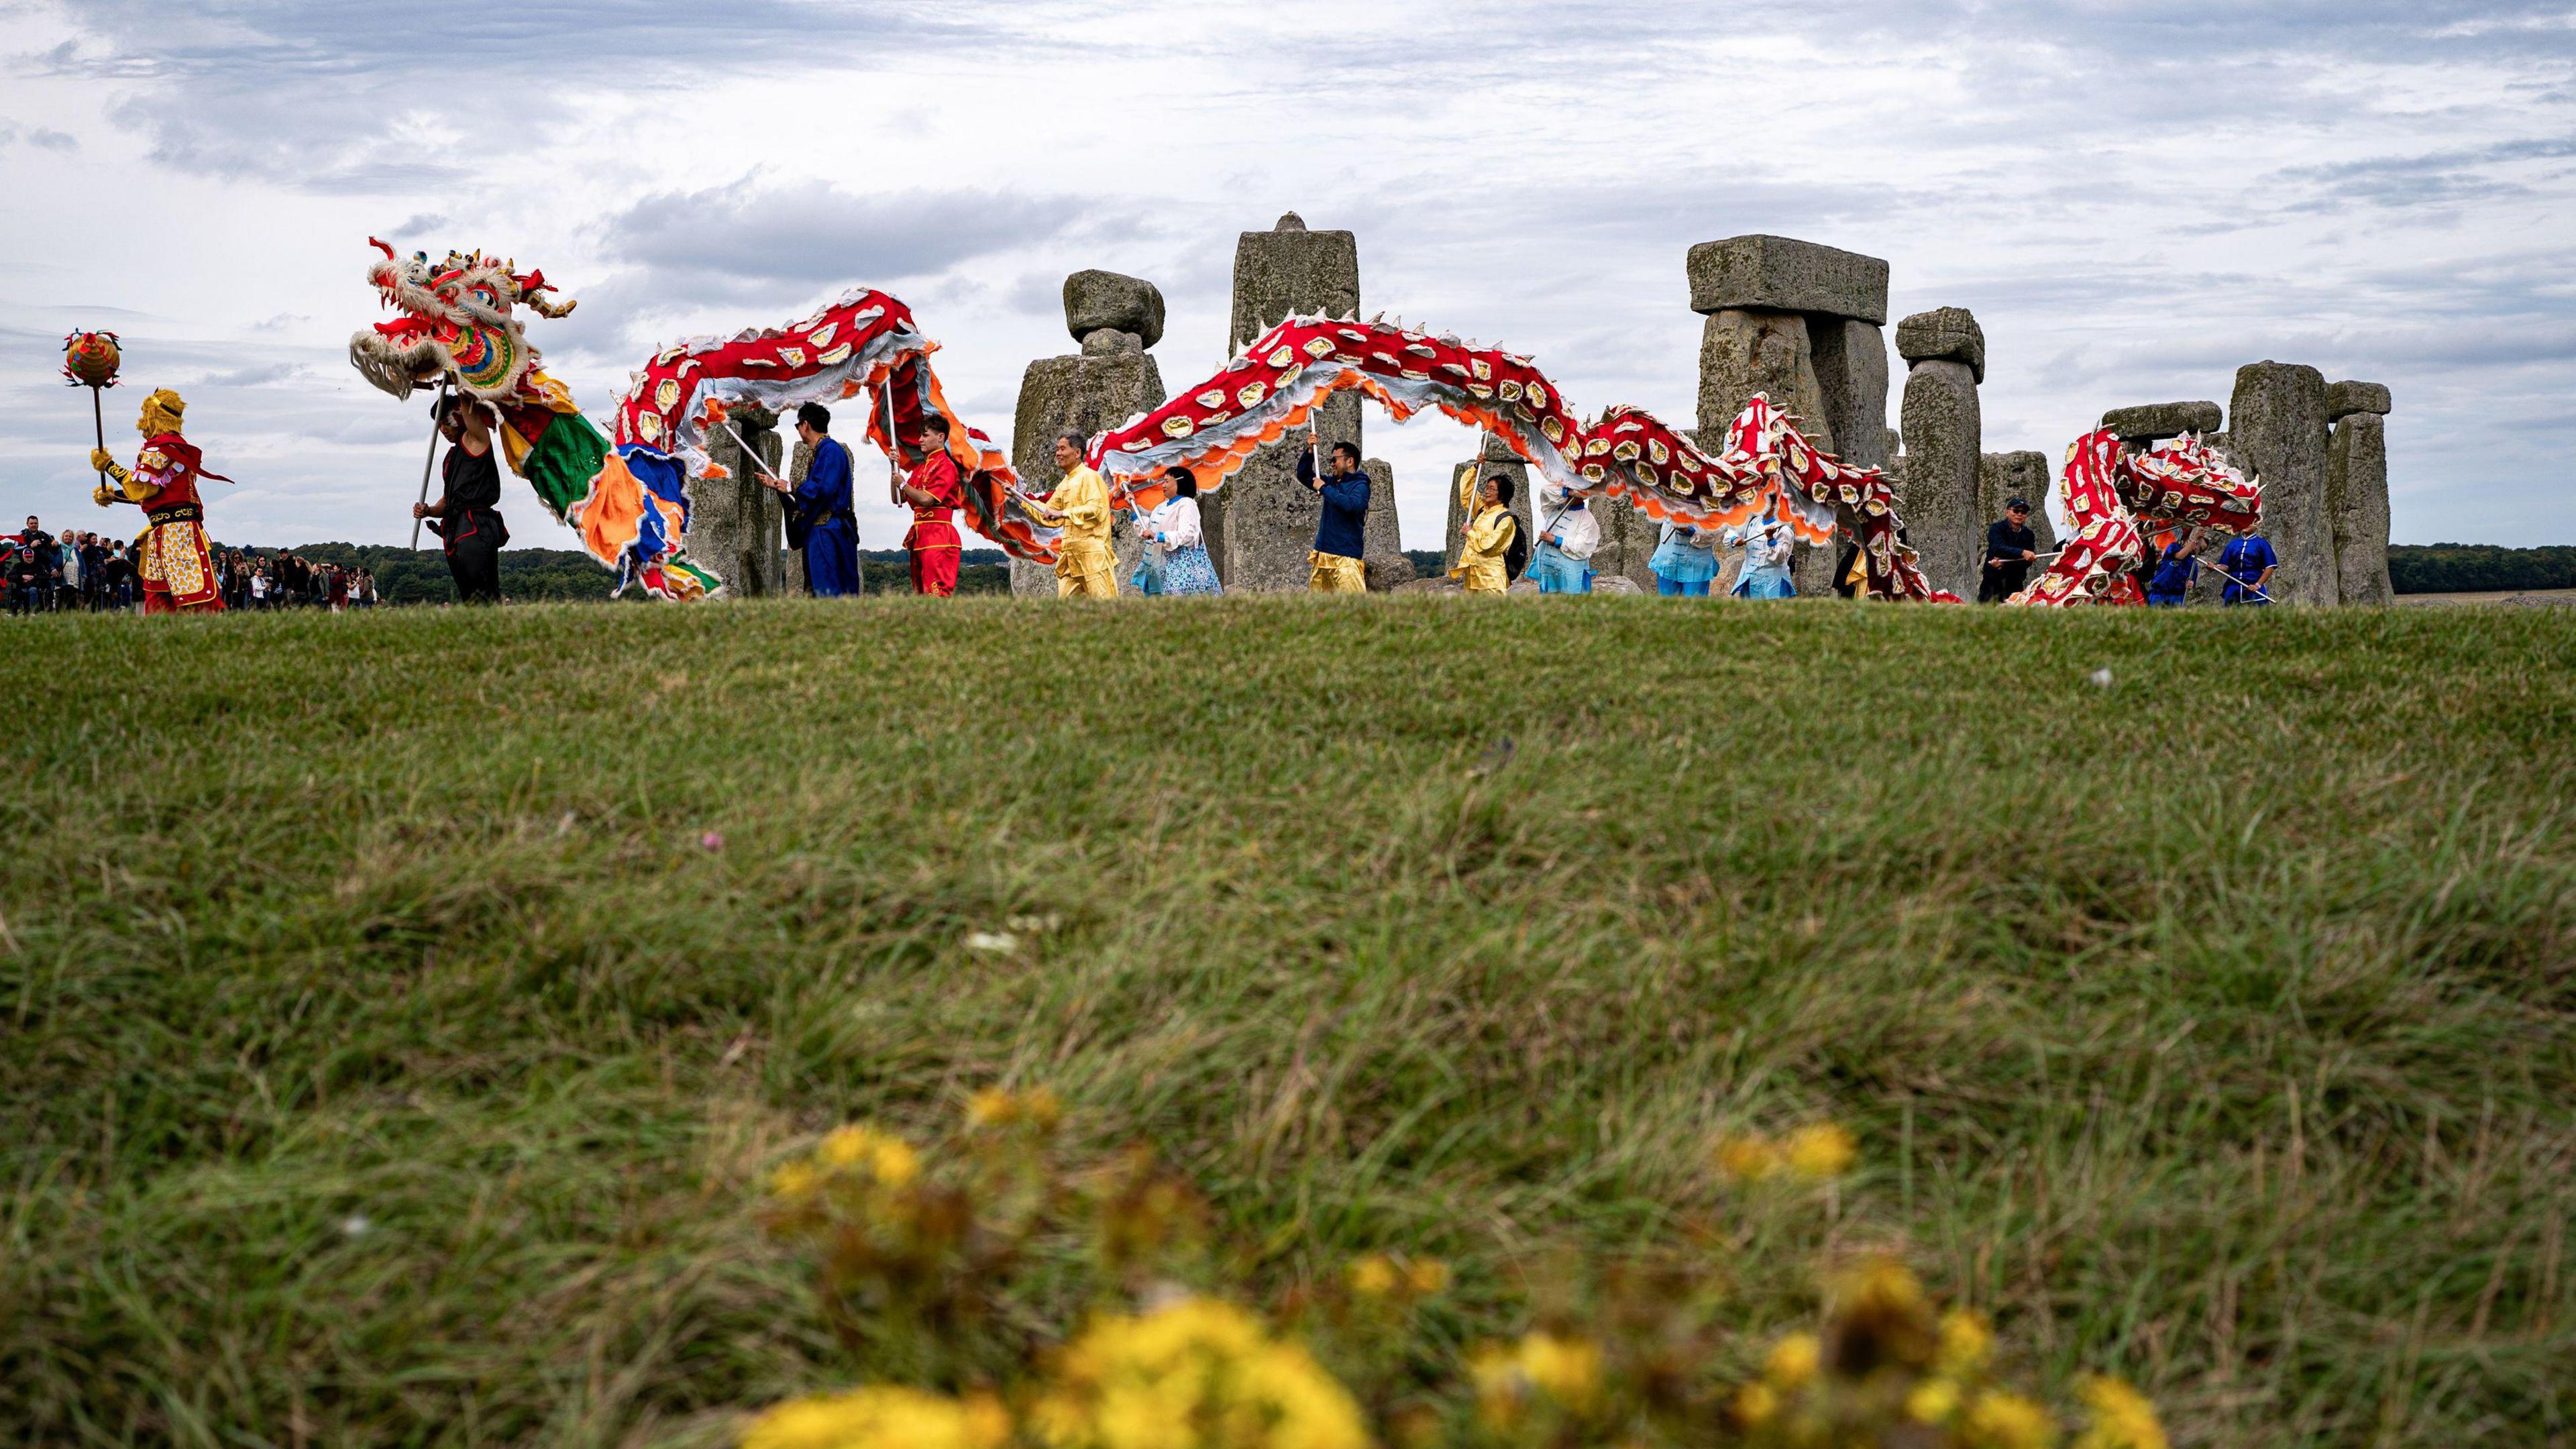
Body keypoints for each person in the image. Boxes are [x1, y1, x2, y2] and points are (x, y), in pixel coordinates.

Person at [89, 388, 228, 614]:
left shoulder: (159, 447)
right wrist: (114, 495)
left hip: (175, 533)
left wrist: (108, 465)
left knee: (194, 597)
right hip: (164, 531)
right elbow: (154, 493)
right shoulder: (175, 447)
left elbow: (140, 485)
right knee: (159, 598)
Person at [414, 393, 508, 604]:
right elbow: (448, 501)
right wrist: (429, 511)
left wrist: (456, 371)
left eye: (444, 423)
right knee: (468, 593)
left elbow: (469, 406)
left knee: (483, 591)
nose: (443, 430)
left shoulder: (476, 440)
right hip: (456, 527)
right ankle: (477, 630)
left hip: (477, 525)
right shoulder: (451, 456)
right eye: (438, 426)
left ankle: (494, 631)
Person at [768, 402, 859, 598]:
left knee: (828, 587)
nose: (798, 429)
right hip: (826, 528)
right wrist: (780, 486)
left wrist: (792, 487)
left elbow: (824, 488)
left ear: (806, 425)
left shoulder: (830, 451)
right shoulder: (822, 452)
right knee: (828, 586)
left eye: (798, 425)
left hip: (827, 528)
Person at [1026, 431, 1116, 599]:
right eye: (1057, 450)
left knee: (1105, 606)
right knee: (1066, 610)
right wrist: (1020, 500)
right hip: (1070, 556)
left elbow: (1096, 509)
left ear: (1077, 453)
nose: (1058, 454)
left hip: (1092, 555)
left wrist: (1063, 513)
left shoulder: (1090, 477)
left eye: (1062, 449)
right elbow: (1048, 515)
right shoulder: (1065, 483)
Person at [895, 414, 966, 597]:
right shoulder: (920, 469)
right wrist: (893, 467)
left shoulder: (946, 466)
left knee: (936, 592)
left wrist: (904, 484)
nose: (920, 440)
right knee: (920, 595)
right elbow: (898, 498)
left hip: (939, 535)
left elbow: (927, 500)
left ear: (940, 437)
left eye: (925, 435)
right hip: (920, 536)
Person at [1295, 437, 1371, 594]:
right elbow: (1303, 475)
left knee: (1353, 610)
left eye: (1334, 460)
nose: (1331, 463)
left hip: (1346, 559)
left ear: (1350, 461)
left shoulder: (1361, 485)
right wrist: (1309, 452)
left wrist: (1324, 489)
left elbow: (1352, 505)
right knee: (1321, 611)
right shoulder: (1332, 483)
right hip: (1323, 556)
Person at [1137, 468, 1221, 596]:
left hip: (1180, 566)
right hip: (1160, 565)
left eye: (1167, 481)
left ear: (1180, 482)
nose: (1163, 485)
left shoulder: (1187, 504)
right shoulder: (1162, 506)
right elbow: (1152, 529)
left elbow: (1188, 534)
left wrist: (1159, 537)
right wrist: (1135, 512)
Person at [1449, 468, 1520, 595]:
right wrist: (1475, 468)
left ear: (1502, 494)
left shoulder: (1506, 519)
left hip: (1492, 579)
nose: (1487, 492)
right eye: (1487, 488)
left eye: (1492, 489)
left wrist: (1470, 533)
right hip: (1473, 576)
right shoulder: (1483, 510)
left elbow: (1490, 545)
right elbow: (1467, 492)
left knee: (1493, 614)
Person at [1528, 478, 1598, 594]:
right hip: (1549, 571)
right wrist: (1567, 492)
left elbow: (1582, 547)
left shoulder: (1587, 519)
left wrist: (1556, 540)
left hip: (1569, 576)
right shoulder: (1553, 509)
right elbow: (1545, 491)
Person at [1980, 497, 2040, 602]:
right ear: (2007, 512)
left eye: (2024, 512)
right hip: (1993, 582)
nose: (2020, 514)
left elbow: (2027, 561)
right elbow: (1998, 548)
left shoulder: (2029, 535)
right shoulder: (1996, 528)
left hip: (2015, 582)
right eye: (2016, 511)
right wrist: (2022, 553)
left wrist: (2004, 563)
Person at [1649, 518, 1721, 596]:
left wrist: (1689, 531)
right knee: (1667, 606)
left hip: (1696, 567)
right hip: (1668, 561)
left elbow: (1718, 530)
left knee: (1694, 606)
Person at [1727, 518, 1795, 598]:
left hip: (1774, 584)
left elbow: (1780, 558)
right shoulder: (1754, 522)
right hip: (1750, 581)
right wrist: (1734, 539)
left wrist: (1770, 538)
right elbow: (1732, 530)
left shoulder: (1783, 528)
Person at [2216, 531, 2277, 606]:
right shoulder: (2233, 543)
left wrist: (2257, 585)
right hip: (2234, 587)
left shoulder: (2262, 543)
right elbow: (2226, 567)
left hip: (2254, 587)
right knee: (2229, 616)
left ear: (2257, 524)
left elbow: (2270, 567)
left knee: (2258, 616)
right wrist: (2214, 567)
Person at [2145, 529, 2204, 607]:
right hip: (2159, 593)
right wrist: (2196, 537)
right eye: (2197, 544)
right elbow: (2179, 556)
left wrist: (2189, 585)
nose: (2197, 548)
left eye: (2200, 549)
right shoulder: (2174, 547)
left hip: (2176, 599)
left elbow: (2190, 588)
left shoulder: (2194, 566)